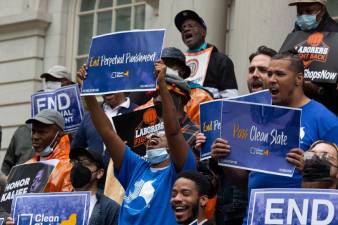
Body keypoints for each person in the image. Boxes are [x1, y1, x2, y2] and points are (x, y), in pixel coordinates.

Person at [197, 51, 338, 225]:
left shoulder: (325, 120)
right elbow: (245, 182)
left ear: (299, 79)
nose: (271, 79)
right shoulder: (258, 117)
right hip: (256, 217)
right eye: (270, 73)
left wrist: (310, 167)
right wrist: (225, 160)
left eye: (280, 74)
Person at [78, 60, 196, 225]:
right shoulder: (136, 167)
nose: (153, 135)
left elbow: (174, 131)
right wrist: (88, 91)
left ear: (173, 146)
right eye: (152, 132)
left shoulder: (179, 173)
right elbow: (107, 133)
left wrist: (162, 85)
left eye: (161, 134)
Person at [1, 65, 74, 175]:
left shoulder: (76, 129)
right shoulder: (22, 131)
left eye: (55, 80)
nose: (35, 137)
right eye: (47, 80)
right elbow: (7, 164)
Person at [286, 0, 338, 115]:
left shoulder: (336, 36)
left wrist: (318, 90)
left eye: (309, 11)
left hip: (328, 111)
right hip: (296, 110)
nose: (303, 16)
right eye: (300, 12)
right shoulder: (295, 33)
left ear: (322, 9)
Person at [175, 10, 238, 98]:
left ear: (203, 32)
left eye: (191, 26)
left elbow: (231, 100)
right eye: (183, 28)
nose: (186, 29)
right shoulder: (178, 65)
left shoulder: (221, 61)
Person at [71, 91, 138, 169]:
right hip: (96, 177)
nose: (107, 88)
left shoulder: (138, 111)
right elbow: (75, 151)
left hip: (127, 174)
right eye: (103, 84)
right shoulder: (89, 116)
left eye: (111, 83)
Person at [161, 47, 214, 125]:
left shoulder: (199, 96)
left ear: (182, 71)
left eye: (170, 65)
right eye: (162, 64)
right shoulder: (152, 95)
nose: (164, 68)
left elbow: (205, 130)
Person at [25, 109, 73, 192]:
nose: (35, 137)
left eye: (42, 132)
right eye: (33, 131)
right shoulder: (27, 165)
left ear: (59, 135)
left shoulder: (69, 167)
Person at [69, 148, 119, 225]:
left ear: (99, 173)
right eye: (76, 163)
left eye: (85, 164)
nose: (78, 167)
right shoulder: (58, 201)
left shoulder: (110, 208)